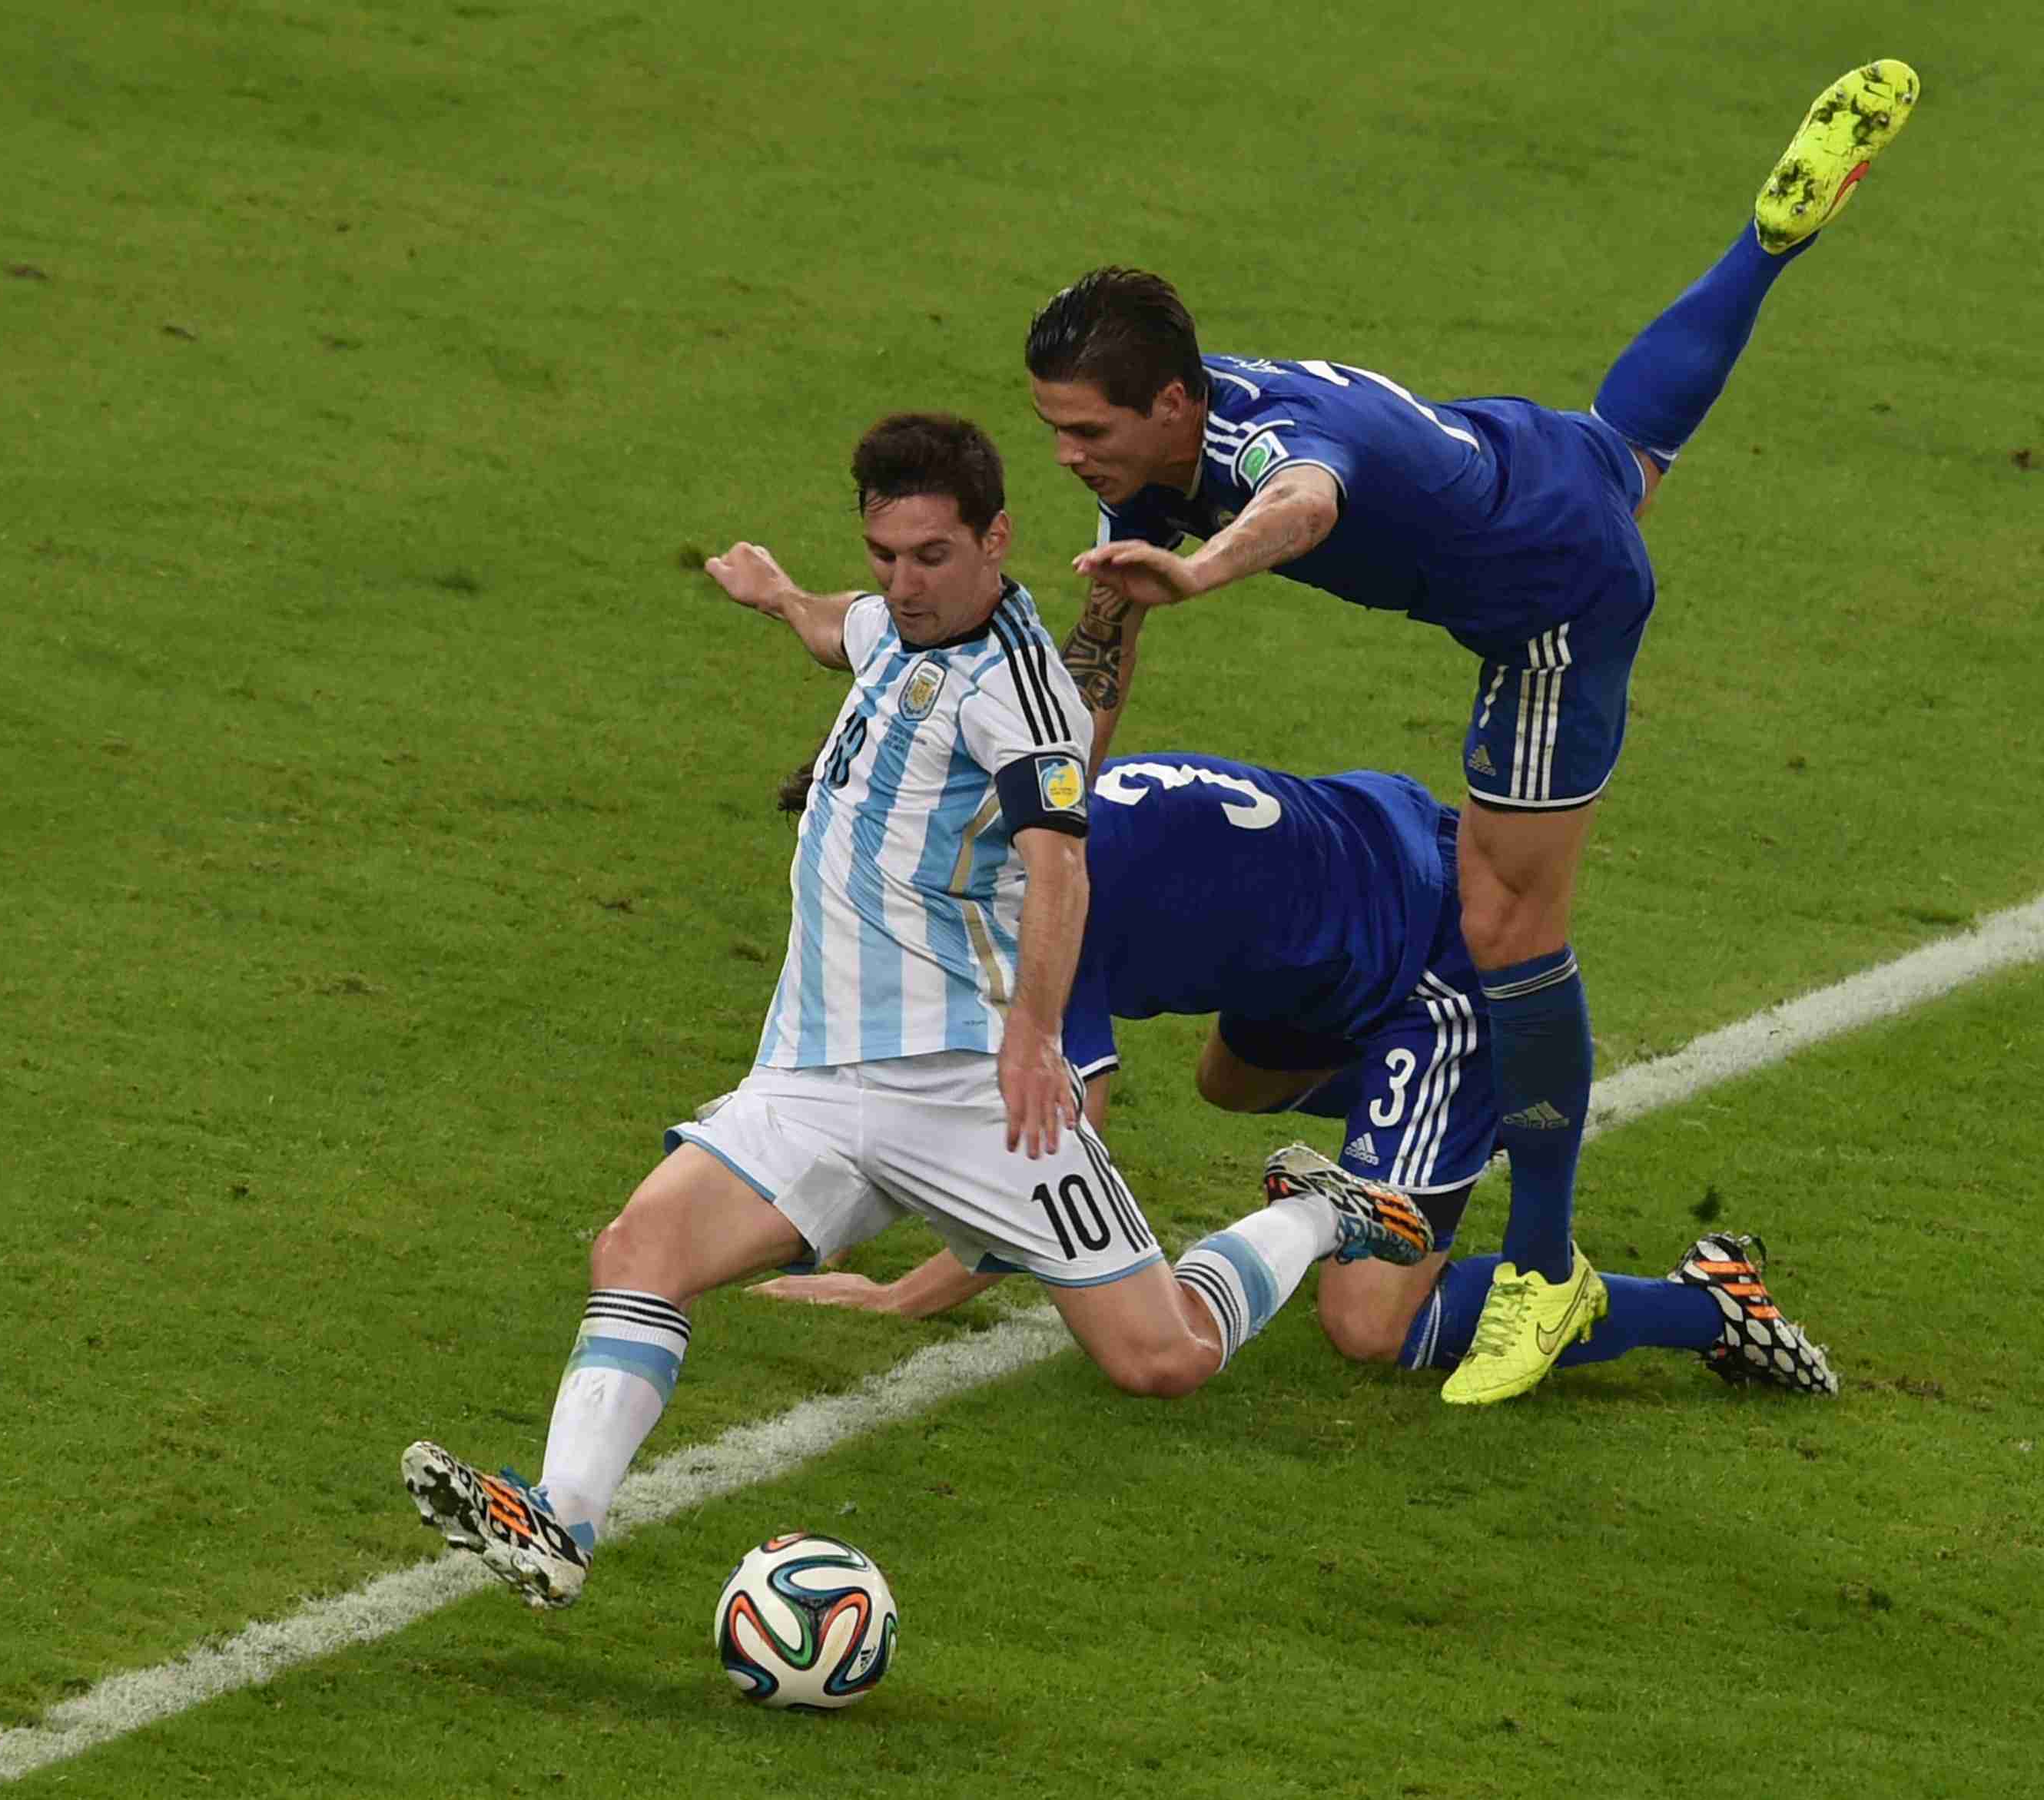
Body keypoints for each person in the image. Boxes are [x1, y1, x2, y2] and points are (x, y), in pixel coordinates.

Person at [398, 416, 1431, 1611]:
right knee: (639, 1250)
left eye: (932, 556)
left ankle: (1314, 1211)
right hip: (813, 1075)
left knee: (1164, 1359)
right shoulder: (896, 620)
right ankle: (560, 1524)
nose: (904, 582)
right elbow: (844, 626)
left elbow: (1061, 868)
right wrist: (777, 594)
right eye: (885, 554)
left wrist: (1036, 1037)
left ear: (996, 540)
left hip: (968, 1087)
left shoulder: (1024, 701)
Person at [1023, 61, 1916, 1404]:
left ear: (1175, 403)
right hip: (1529, 458)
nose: (1067, 456)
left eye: (1086, 430)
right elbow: (1103, 652)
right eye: (1052, 430)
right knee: (1630, 446)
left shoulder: (1269, 445)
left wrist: (1204, 572)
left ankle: (1547, 1267)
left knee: (1509, 929)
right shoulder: (1152, 461)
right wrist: (1050, 806)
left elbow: (1309, 501)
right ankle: (1768, 241)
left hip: (1554, 608)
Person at [757, 750, 1840, 1400]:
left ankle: (1708, 1306)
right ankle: (1446, 1134)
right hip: (1347, 897)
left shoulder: (1043, 905)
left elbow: (1055, 1153)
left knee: (1371, 1327)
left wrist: (907, 1296)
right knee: (1232, 1083)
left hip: (1431, 957)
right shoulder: (1024, 800)